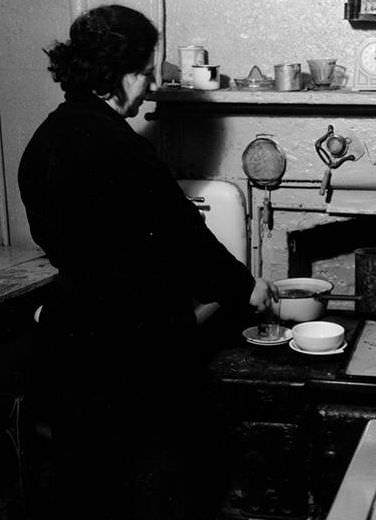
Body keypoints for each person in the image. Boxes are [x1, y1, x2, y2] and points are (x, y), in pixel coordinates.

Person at [18, 5, 277, 519]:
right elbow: (182, 236)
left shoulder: (43, 140)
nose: (151, 85)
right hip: (129, 349)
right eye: (148, 70)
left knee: (85, 488)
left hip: (69, 339)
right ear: (124, 73)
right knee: (153, 485)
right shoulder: (118, 147)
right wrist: (247, 288)